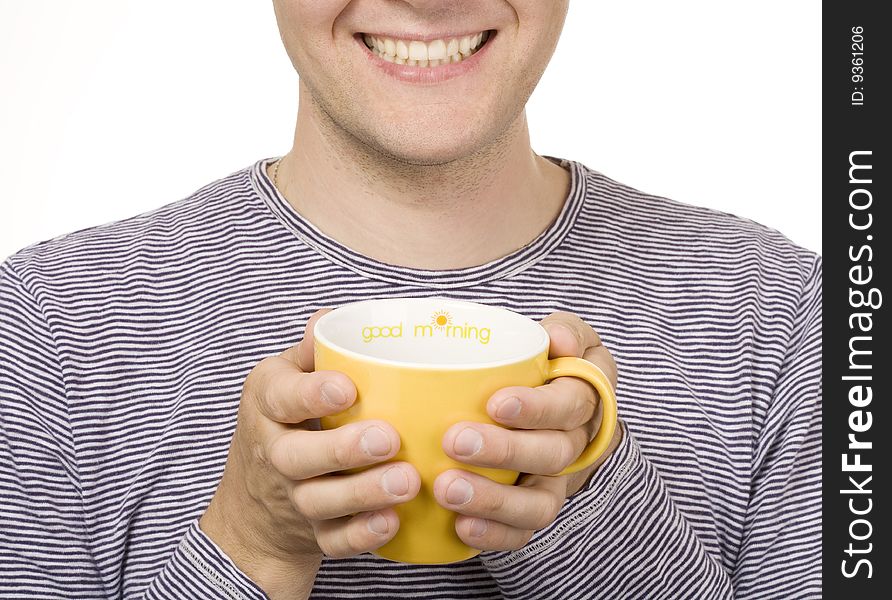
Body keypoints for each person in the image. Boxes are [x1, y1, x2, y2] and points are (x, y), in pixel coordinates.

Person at [0, 1, 821, 599]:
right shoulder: (42, 324)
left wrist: (585, 506)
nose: (430, 0)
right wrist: (251, 548)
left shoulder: (790, 314)